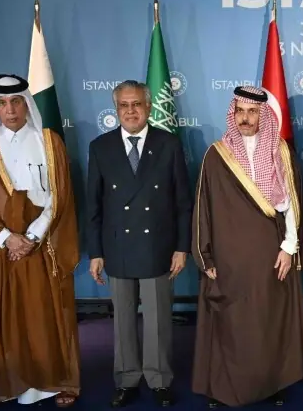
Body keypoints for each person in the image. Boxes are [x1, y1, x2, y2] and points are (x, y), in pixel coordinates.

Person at [191, 85, 303, 408]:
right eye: (240, 111)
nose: (245, 118)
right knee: (231, 323)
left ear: (264, 115)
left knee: (268, 322)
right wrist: (205, 256)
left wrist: (289, 248)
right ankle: (223, 387)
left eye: (253, 112)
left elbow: (292, 205)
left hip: (270, 257)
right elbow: (203, 209)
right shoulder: (217, 155)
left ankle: (273, 383)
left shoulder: (280, 151)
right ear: (233, 114)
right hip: (228, 259)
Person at [0, 74, 80, 409]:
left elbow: (59, 195)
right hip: (0, 250)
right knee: (5, 318)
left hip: (42, 246)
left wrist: (31, 236)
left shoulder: (49, 141)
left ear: (27, 104)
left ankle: (52, 383)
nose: (10, 109)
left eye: (16, 101)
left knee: (46, 315)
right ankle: (11, 383)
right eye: (2, 103)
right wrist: (6, 238)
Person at [86, 80, 192, 408]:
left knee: (158, 320)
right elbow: (93, 205)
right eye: (124, 105)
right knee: (123, 320)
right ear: (116, 109)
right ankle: (127, 379)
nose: (130, 111)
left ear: (148, 107)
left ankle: (159, 380)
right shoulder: (100, 147)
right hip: (117, 246)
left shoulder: (168, 144)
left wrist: (182, 247)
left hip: (158, 246)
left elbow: (183, 202)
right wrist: (96, 252)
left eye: (137, 104)